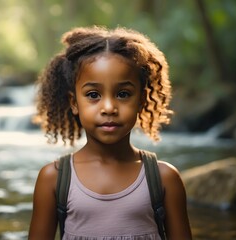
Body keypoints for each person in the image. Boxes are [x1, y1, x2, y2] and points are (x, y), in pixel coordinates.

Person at [28, 26, 192, 240]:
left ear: (141, 101)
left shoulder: (164, 179)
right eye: (93, 94)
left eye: (123, 94)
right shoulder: (54, 179)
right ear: (74, 103)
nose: (108, 107)